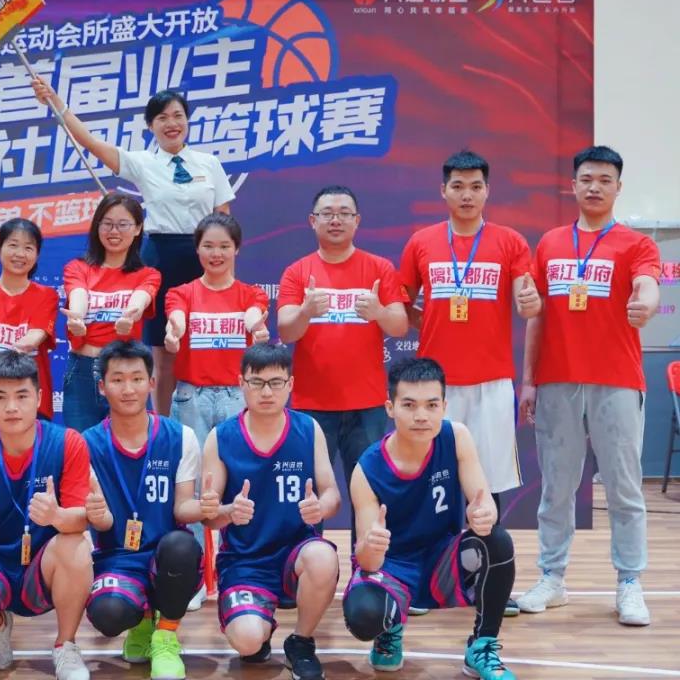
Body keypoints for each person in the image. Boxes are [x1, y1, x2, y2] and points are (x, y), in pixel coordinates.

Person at [517, 146, 661, 626]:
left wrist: (646, 304)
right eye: (586, 179)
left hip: (616, 381)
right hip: (557, 382)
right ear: (573, 185)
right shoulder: (551, 243)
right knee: (557, 487)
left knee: (623, 487)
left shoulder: (636, 245)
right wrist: (529, 380)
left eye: (604, 179)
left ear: (618, 187)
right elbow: (536, 314)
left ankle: (629, 583)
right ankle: (552, 578)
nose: (594, 187)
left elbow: (647, 284)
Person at [32, 77, 234, 415]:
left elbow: (224, 220)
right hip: (161, 257)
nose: (171, 124)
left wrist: (224, 269)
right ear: (151, 126)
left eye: (178, 115)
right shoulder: (143, 162)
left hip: (205, 257)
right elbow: (91, 143)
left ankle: (210, 418)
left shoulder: (209, 163)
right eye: (162, 118)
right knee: (164, 351)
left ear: (187, 120)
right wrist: (57, 104)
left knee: (205, 345)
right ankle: (166, 423)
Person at [399, 150, 540, 617]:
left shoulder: (509, 242)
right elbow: (400, 304)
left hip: (492, 383)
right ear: (443, 190)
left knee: (488, 487)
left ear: (487, 191)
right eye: (457, 186)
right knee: (429, 485)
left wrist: (529, 301)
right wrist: (423, 319)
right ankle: (425, 582)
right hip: (433, 390)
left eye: (475, 186)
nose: (466, 195)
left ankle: (488, 583)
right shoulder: (421, 242)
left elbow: (526, 300)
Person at [342, 357, 517, 679]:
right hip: (392, 566)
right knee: (364, 616)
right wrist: (372, 545)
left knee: (496, 540)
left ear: (444, 407)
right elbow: (366, 560)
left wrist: (483, 515)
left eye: (431, 405)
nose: (421, 416)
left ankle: (481, 646)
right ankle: (389, 630)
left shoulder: (457, 436)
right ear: (390, 408)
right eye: (409, 405)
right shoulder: (367, 469)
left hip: (442, 562)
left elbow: (483, 503)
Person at [0, 351, 94, 680]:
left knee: (76, 545)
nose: (11, 407)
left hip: (44, 564)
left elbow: (80, 520)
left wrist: (56, 515)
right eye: (0, 397)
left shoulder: (68, 443)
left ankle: (65, 645)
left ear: (39, 397)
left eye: (22, 396)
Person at [201, 343, 340, 680]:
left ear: (290, 384)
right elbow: (209, 515)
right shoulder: (221, 437)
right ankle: (256, 625)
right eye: (257, 382)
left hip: (295, 553)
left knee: (323, 557)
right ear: (241, 383)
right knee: (248, 642)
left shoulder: (308, 428)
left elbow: (332, 493)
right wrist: (229, 511)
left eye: (276, 382)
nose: (267, 392)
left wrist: (320, 507)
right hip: (245, 560)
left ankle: (301, 642)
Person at [277, 185, 408, 540]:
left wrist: (379, 312)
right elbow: (286, 331)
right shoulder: (297, 271)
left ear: (357, 220)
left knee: (367, 492)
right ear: (312, 220)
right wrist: (306, 311)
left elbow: (400, 325)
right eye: (327, 213)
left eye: (344, 213)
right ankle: (308, 559)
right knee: (311, 493)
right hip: (312, 406)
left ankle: (365, 565)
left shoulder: (379, 267)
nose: (336, 220)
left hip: (367, 404)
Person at [163, 212, 269, 610]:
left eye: (224, 246)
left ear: (237, 249)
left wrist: (256, 328)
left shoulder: (251, 294)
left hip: (236, 398)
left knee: (240, 486)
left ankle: (237, 573)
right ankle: (191, 576)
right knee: (192, 488)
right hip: (191, 397)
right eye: (208, 245)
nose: (216, 253)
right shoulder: (182, 293)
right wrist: (175, 330)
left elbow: (253, 315)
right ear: (197, 250)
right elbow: (176, 317)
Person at [83, 341, 204, 680]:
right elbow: (96, 520)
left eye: (137, 378)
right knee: (108, 615)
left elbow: (183, 508)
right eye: (117, 380)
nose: (128, 389)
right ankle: (142, 622)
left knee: (182, 545)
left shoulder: (181, 437)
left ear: (151, 383)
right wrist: (95, 516)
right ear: (102, 386)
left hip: (166, 557)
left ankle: (165, 636)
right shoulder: (86, 444)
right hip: (117, 557)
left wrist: (208, 508)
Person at [60, 192, 161, 431]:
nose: (114, 231)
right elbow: (78, 294)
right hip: (83, 370)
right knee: (81, 446)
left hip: (126, 372)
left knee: (128, 443)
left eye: (123, 224)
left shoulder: (148, 274)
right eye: (107, 224)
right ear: (97, 226)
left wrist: (130, 315)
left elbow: (140, 299)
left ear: (138, 229)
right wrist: (77, 317)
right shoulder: (78, 267)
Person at [0, 218, 58, 443]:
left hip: (29, 394)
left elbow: (36, 334)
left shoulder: (46, 295)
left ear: (37, 254)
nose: (20, 254)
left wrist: (14, 347)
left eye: (28, 247)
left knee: (33, 460)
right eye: (13, 245)